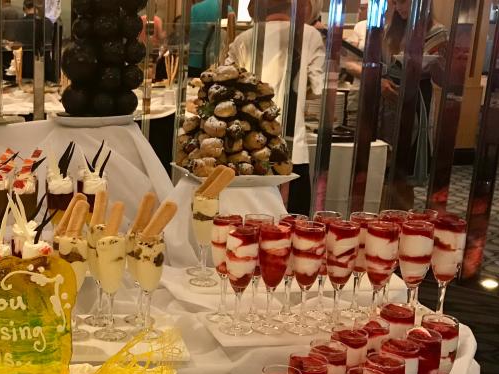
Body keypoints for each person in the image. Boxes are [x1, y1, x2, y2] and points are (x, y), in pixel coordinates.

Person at [343, 0, 446, 210]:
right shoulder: (390, 30)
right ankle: (374, 216)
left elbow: (443, 79)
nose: (399, 8)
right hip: (384, 99)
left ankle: (399, 218)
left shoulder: (438, 32)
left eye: (404, 2)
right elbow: (374, 64)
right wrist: (380, 80)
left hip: (416, 100)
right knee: (380, 164)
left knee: (403, 174)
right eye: (396, 2)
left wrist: (438, 63)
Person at [227, 0, 325, 215]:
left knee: (246, 222)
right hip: (292, 147)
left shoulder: (244, 39)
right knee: (292, 227)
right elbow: (319, 88)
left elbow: (228, 88)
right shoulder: (308, 35)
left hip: (249, 147)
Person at [187, 1, 227, 74]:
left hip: (194, 61)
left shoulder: (195, 8)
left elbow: (187, 31)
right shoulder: (226, 8)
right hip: (217, 63)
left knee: (193, 84)